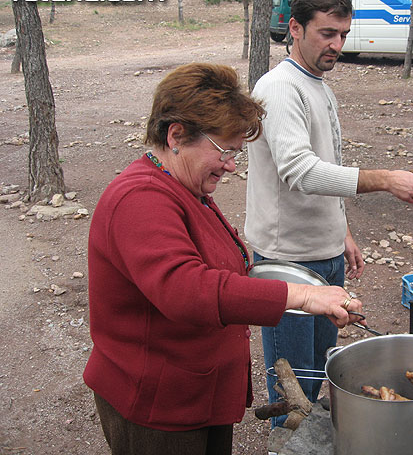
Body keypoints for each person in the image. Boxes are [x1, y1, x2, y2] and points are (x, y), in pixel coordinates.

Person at [83, 63, 364, 455]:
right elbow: (185, 289)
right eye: (225, 151)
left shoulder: (183, 187)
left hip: (197, 394)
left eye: (236, 151)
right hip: (157, 405)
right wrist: (301, 297)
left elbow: (224, 268)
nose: (233, 165)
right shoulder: (140, 199)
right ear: (177, 135)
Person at [245, 0, 413, 427]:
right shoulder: (278, 87)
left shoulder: (318, 85)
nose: (337, 45)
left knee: (320, 371)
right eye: (327, 33)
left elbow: (328, 167)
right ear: (295, 28)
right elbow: (300, 171)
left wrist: (342, 229)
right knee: (293, 386)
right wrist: (384, 179)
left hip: (326, 254)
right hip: (287, 259)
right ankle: (286, 443)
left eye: (343, 34)